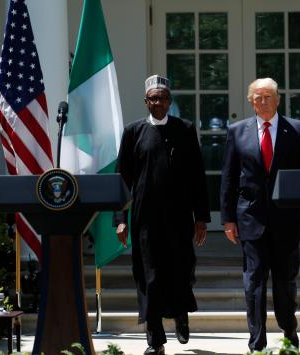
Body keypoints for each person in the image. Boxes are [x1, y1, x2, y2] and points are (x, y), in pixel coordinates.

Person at [114, 75, 211, 355]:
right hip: (145, 219)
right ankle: (155, 339)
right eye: (153, 98)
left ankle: (181, 314)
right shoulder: (133, 132)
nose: (158, 102)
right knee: (149, 278)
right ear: (146, 101)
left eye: (163, 98)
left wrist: (201, 218)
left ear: (170, 101)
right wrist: (120, 220)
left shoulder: (185, 129)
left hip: (179, 218)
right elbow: (122, 180)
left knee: (181, 272)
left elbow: (197, 177)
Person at [220, 78, 300, 351]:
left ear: (277, 100)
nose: (263, 102)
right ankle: (257, 342)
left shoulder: (297, 130)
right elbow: (229, 178)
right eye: (258, 98)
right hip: (250, 220)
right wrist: (228, 218)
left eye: (268, 97)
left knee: (285, 283)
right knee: (254, 282)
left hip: (287, 220)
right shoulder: (237, 131)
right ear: (251, 101)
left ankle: (290, 333)